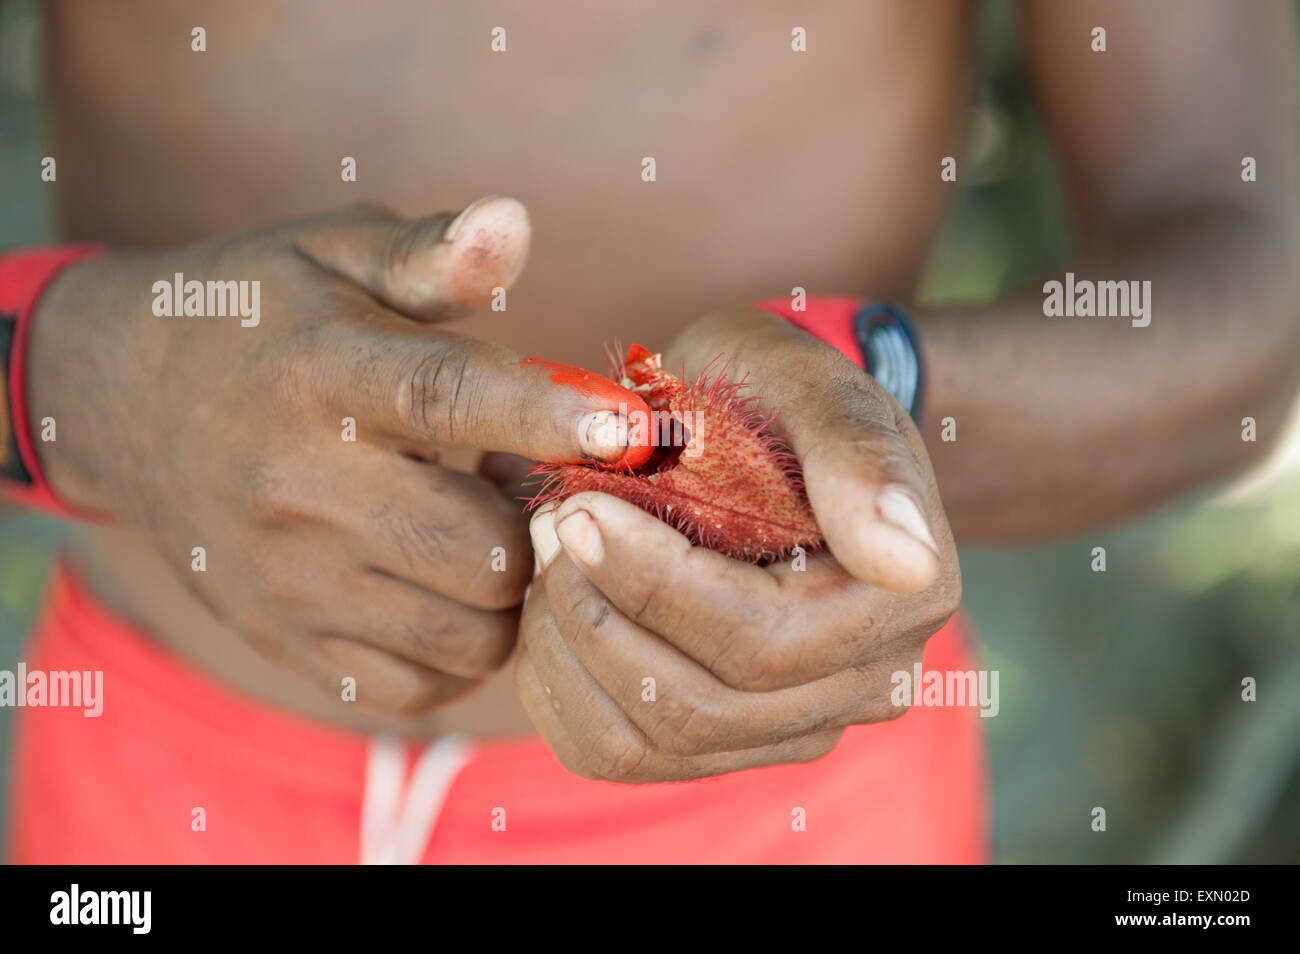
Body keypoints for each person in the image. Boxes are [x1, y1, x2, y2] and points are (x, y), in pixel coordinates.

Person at [2, 0, 1296, 863]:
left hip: (790, 778)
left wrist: (866, 411)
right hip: (148, 778)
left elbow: (1252, 265)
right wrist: (78, 379)